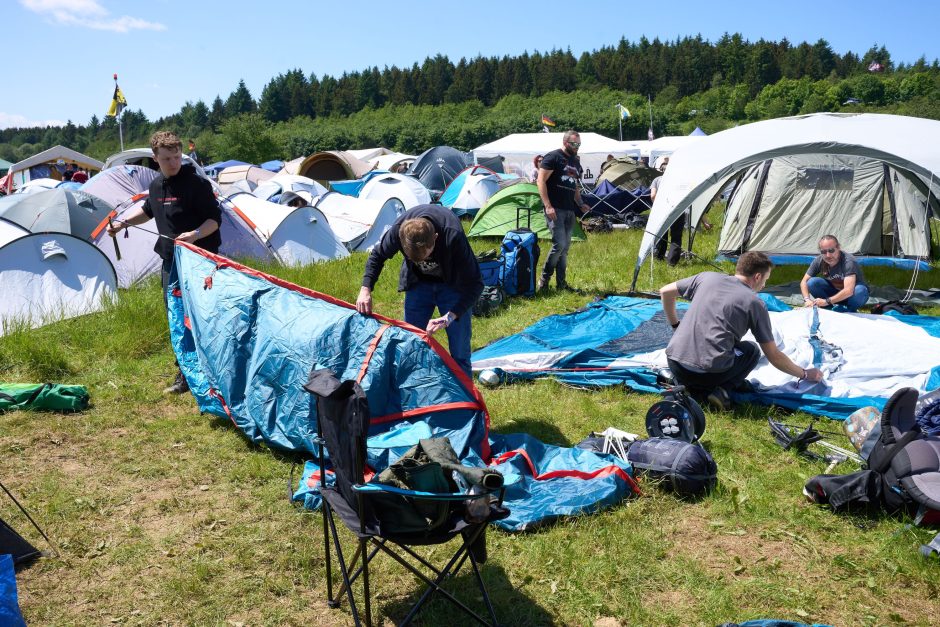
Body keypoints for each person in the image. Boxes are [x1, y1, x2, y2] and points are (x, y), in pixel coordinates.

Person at [107, 130, 221, 394]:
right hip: (171, 262)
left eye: (177, 157)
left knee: (204, 316)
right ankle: (184, 373)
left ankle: (214, 371)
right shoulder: (157, 186)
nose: (174, 163)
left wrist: (193, 235)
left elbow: (214, 221)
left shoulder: (197, 185)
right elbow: (147, 210)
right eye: (168, 158)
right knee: (177, 317)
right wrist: (124, 221)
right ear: (156, 158)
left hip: (201, 260)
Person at [660, 251, 823, 410]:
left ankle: (687, 386)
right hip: (709, 373)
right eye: (766, 279)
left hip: (675, 363)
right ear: (757, 277)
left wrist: (675, 325)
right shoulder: (754, 303)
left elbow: (665, 292)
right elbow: (774, 355)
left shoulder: (706, 277)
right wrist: (806, 374)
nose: (764, 285)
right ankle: (722, 390)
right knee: (751, 350)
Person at [357, 204, 483, 378]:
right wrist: (365, 289)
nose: (424, 261)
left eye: (426, 255)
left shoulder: (452, 234)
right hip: (419, 285)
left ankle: (465, 401)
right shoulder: (398, 231)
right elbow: (377, 256)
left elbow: (476, 284)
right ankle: (416, 394)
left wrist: (450, 316)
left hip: (452, 286)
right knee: (411, 344)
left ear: (436, 238)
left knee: (459, 351)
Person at [536, 130, 591, 291]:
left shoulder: (575, 162)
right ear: (566, 142)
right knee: (559, 245)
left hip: (569, 210)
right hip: (555, 209)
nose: (577, 147)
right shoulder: (553, 157)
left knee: (565, 249)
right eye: (574, 144)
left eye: (579, 144)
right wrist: (548, 206)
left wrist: (580, 204)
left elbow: (574, 187)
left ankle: (561, 284)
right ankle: (544, 281)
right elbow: (540, 181)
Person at [800, 235, 870, 312]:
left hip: (853, 296)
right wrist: (807, 300)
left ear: (838, 248)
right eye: (823, 251)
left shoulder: (848, 261)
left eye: (831, 250)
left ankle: (850, 310)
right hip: (835, 293)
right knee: (812, 282)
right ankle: (828, 309)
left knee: (860, 290)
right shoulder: (819, 260)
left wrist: (826, 301)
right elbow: (804, 281)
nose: (828, 255)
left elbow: (849, 291)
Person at [649, 157, 685, 266]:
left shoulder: (657, 180)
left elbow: (653, 195)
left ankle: (659, 256)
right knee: (676, 236)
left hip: (662, 210)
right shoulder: (679, 181)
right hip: (677, 209)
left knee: (661, 234)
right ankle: (672, 262)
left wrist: (659, 205)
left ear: (661, 170)